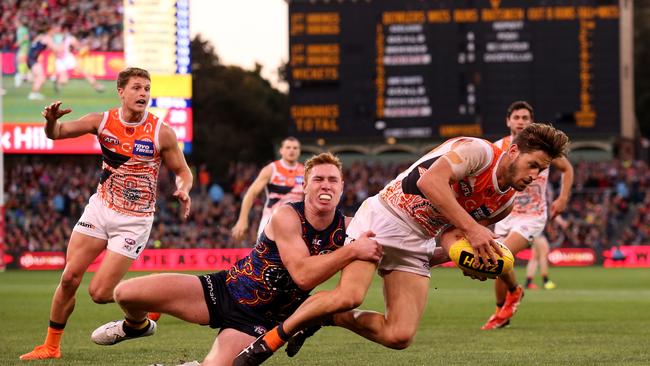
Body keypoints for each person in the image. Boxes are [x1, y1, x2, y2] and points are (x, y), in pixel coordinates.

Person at [234, 123, 570, 365]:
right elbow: (431, 181)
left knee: (399, 336)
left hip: (417, 242)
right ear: (513, 151)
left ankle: (328, 318)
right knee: (350, 295)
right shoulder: (478, 151)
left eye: (542, 171)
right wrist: (476, 231)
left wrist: (464, 257)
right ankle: (268, 343)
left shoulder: (505, 202)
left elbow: (453, 234)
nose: (536, 176)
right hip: (384, 217)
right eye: (534, 166)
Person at [90, 152, 382, 366]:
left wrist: (427, 253)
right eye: (317, 179)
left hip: (258, 320)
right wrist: (353, 251)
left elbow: (385, 246)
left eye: (333, 180)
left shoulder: (349, 228)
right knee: (125, 293)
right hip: (224, 290)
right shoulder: (287, 215)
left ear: (342, 186)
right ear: (305, 186)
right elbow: (303, 275)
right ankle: (136, 327)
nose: (325, 185)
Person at [19, 67, 193, 360]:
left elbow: (182, 172)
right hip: (100, 208)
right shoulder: (101, 121)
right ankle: (50, 346)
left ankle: (143, 312)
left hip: (134, 220)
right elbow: (57, 134)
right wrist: (50, 122)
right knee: (69, 278)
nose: (143, 94)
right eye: (137, 88)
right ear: (121, 91)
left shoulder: (161, 132)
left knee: (100, 294)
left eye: (147, 89)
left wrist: (183, 188)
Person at [482, 101, 573, 330]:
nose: (521, 121)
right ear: (508, 121)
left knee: (500, 256)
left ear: (531, 122)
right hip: (503, 213)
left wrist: (562, 198)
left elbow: (567, 169)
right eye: (517, 117)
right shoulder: (497, 148)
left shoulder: (542, 150)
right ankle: (501, 312)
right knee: (497, 265)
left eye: (525, 118)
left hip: (532, 215)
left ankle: (514, 292)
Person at [232, 137, 303, 242]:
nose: (291, 150)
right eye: (288, 147)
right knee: (264, 257)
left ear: (299, 151)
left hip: (296, 223)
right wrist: (242, 219)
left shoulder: (305, 171)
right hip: (271, 221)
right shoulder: (271, 169)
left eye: (295, 148)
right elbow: (251, 193)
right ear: (281, 150)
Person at [52, 24, 105, 93]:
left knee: (84, 72)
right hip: (60, 60)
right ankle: (57, 82)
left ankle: (97, 86)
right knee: (64, 81)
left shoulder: (69, 38)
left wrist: (83, 48)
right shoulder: (55, 37)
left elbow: (77, 46)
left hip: (68, 58)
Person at [26, 24, 55, 101]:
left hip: (30, 57)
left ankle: (35, 93)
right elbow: (55, 48)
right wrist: (63, 47)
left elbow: (35, 45)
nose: (54, 32)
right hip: (33, 59)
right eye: (53, 31)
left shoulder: (40, 36)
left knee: (38, 77)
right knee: (41, 77)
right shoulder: (48, 38)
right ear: (49, 31)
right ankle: (33, 94)